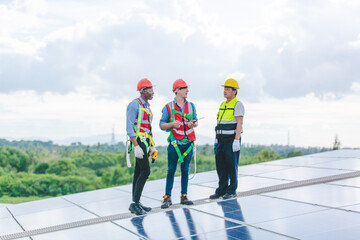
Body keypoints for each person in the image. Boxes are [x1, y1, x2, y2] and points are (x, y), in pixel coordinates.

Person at [159, 79, 198, 209]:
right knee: (171, 170)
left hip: (188, 144)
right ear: (177, 91)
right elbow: (162, 125)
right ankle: (167, 197)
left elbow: (196, 121)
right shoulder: (168, 107)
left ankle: (184, 196)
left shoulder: (191, 106)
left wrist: (194, 123)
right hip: (175, 144)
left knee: (185, 170)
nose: (187, 90)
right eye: (185, 88)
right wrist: (172, 124)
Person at [210, 78, 245, 200]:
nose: (225, 91)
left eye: (228, 89)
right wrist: (216, 138)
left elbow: (239, 123)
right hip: (220, 139)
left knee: (231, 165)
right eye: (224, 88)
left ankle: (231, 190)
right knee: (220, 165)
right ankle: (222, 189)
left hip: (231, 140)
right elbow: (219, 122)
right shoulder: (222, 104)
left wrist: (236, 139)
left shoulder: (237, 104)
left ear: (234, 91)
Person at [126, 78, 156, 215]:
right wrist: (136, 146)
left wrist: (151, 146)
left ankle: (136, 202)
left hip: (145, 141)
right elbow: (129, 127)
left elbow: (148, 127)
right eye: (150, 90)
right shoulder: (134, 105)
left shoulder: (147, 107)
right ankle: (134, 203)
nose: (153, 93)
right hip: (138, 141)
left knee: (138, 172)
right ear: (143, 91)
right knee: (145, 171)